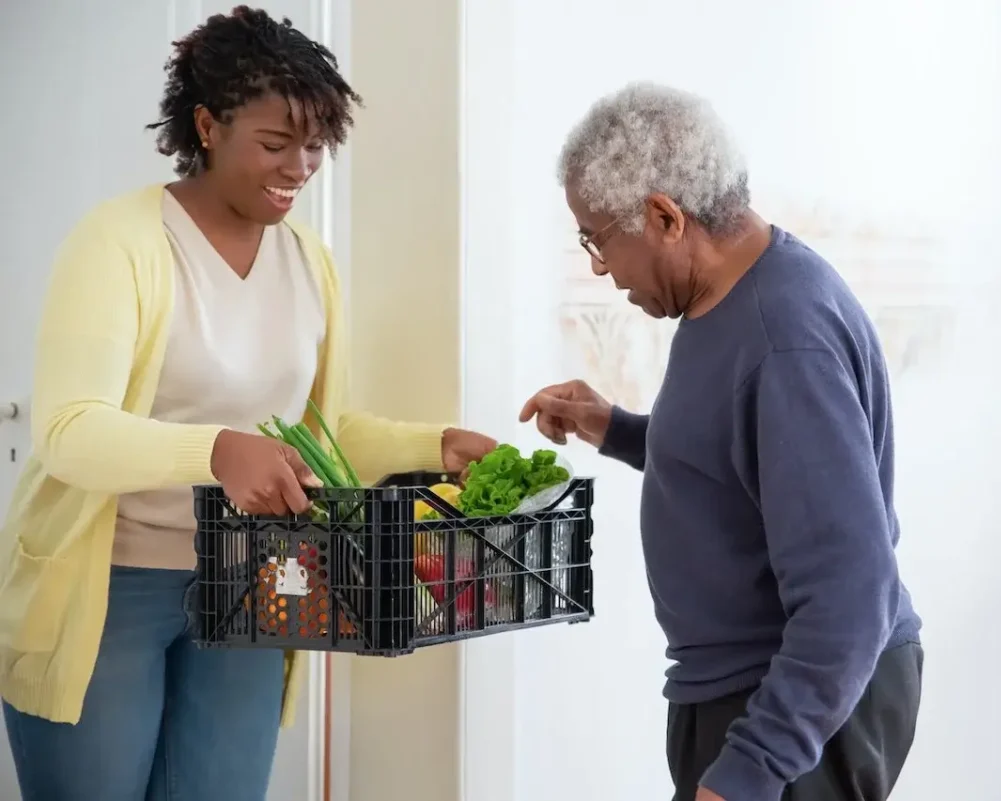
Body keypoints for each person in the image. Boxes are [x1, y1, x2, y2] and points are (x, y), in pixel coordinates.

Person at [0, 7, 495, 801]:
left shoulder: (308, 263)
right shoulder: (119, 243)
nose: (300, 166)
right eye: (275, 143)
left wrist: (430, 444)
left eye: (315, 145)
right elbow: (70, 431)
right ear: (207, 125)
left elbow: (311, 436)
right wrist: (217, 450)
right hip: (107, 584)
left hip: (254, 577)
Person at [521, 83, 923, 801]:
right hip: (752, 688)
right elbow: (741, 463)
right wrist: (612, 426)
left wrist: (753, 766)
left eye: (598, 237)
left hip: (793, 702)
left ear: (664, 216)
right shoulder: (729, 301)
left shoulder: (783, 339)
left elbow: (850, 593)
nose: (598, 265)